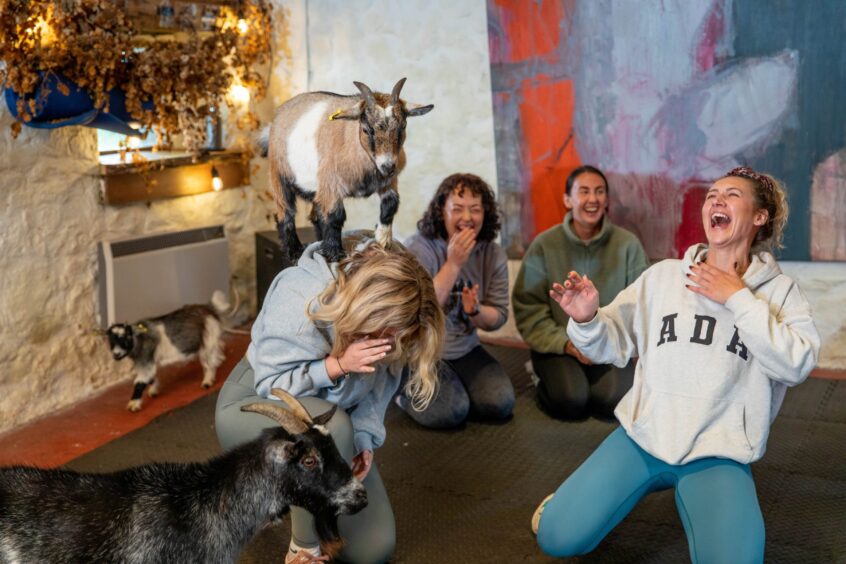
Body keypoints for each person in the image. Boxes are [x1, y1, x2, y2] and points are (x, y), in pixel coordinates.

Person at [532, 167, 820, 563]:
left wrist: (738, 298)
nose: (716, 200)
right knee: (557, 538)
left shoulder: (780, 293)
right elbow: (610, 342)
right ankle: (565, 503)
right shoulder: (664, 277)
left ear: (759, 216)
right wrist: (586, 319)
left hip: (718, 454)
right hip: (643, 438)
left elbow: (798, 364)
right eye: (712, 195)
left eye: (732, 195)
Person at [215, 235, 443, 564]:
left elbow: (382, 381)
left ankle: (287, 490)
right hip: (255, 403)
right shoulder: (300, 295)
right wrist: (336, 366)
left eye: (398, 334)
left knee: (373, 550)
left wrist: (363, 436)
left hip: (336, 425)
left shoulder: (396, 321)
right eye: (387, 331)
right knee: (330, 427)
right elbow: (272, 384)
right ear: (367, 305)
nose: (392, 341)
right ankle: (302, 549)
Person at [513, 165, 649, 419]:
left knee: (610, 402)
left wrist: (615, 342)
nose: (592, 199)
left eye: (599, 192)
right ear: (567, 199)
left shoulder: (628, 245)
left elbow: (642, 303)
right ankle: (539, 373)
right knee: (570, 402)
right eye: (583, 191)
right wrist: (566, 344)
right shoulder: (544, 245)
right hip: (559, 344)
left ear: (606, 200)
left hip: (608, 344)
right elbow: (528, 308)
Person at [396, 173, 514, 428]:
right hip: (421, 354)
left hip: (465, 349)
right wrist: (454, 263)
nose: (468, 218)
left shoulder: (492, 254)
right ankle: (400, 391)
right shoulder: (419, 248)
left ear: (486, 213)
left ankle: (453, 386)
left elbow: (498, 317)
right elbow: (417, 311)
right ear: (442, 211)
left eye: (475, 209)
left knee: (500, 404)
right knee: (451, 412)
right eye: (457, 209)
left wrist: (477, 312)